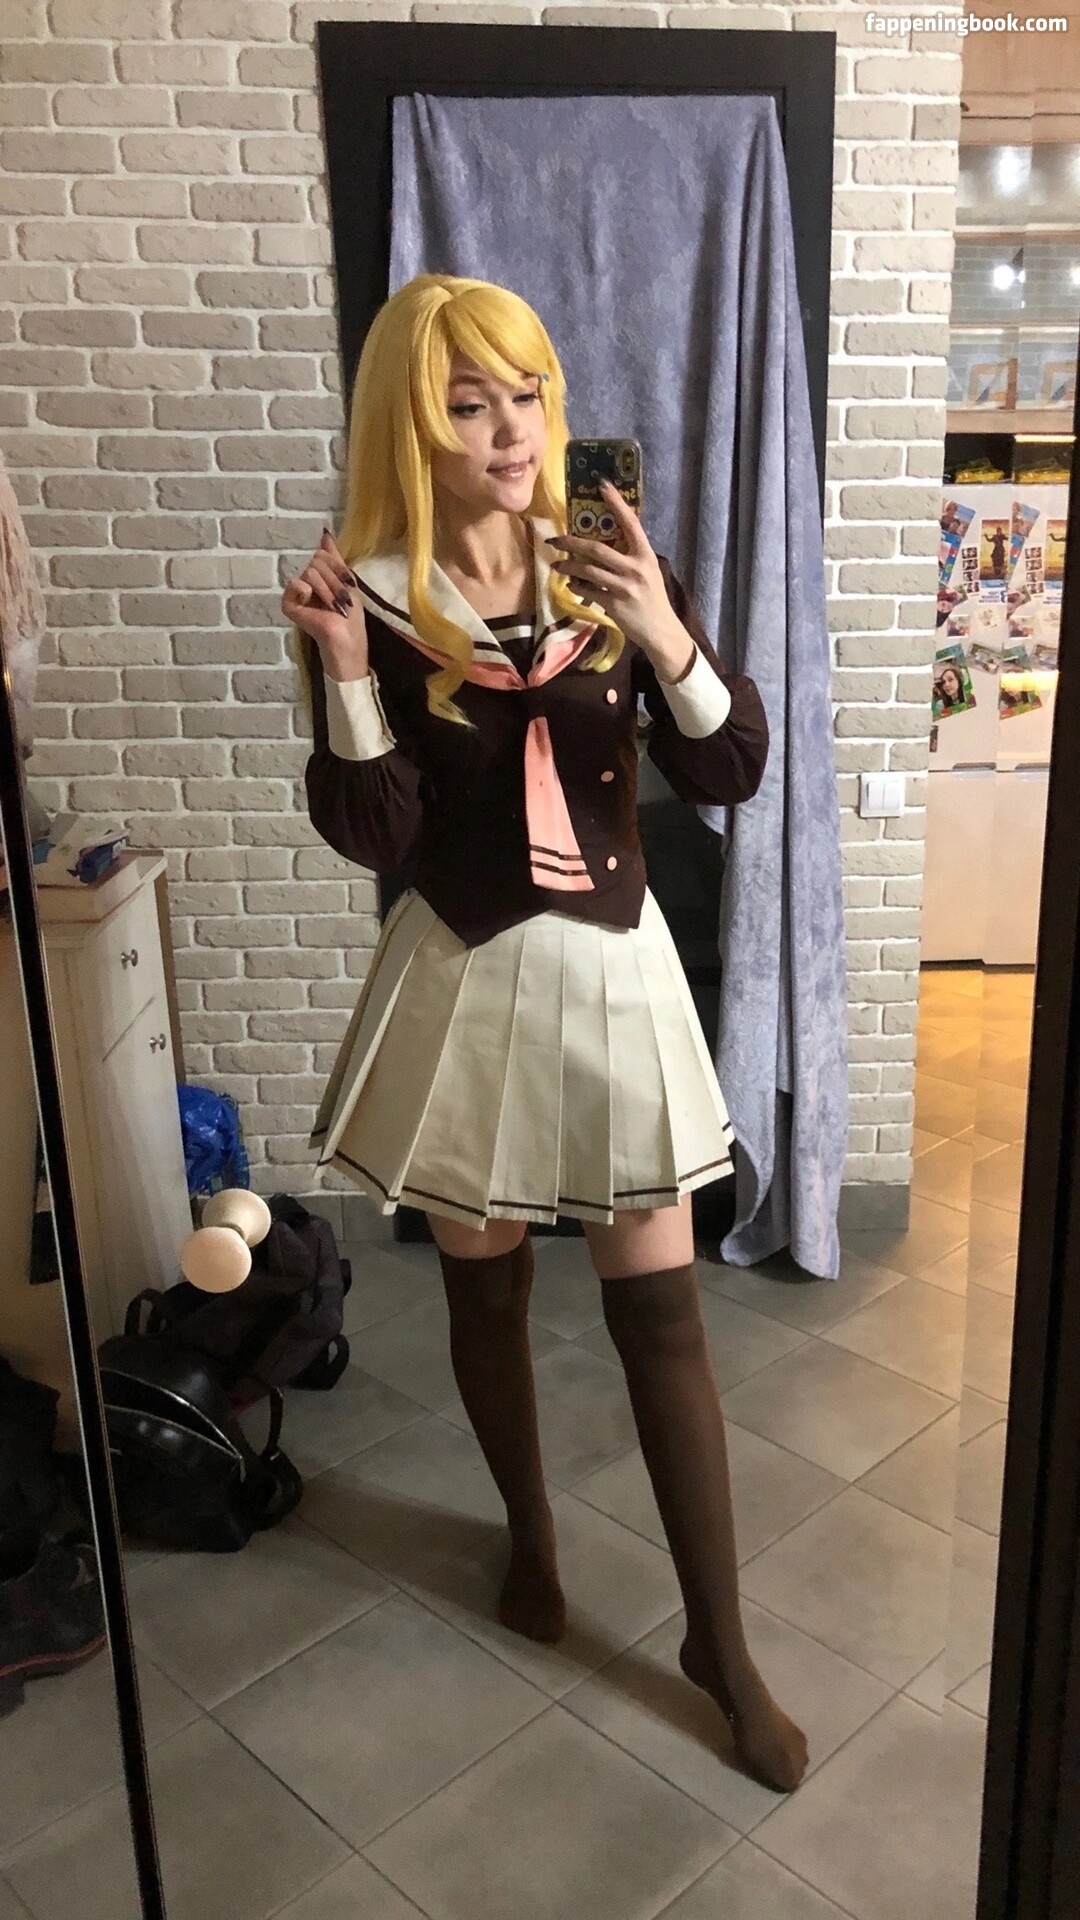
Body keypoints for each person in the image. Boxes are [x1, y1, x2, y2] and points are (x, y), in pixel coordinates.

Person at [282, 273, 808, 1794]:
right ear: (411, 422)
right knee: (489, 1288)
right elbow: (376, 831)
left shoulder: (607, 564)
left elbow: (732, 769)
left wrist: (664, 633)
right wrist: (346, 675)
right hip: (464, 977)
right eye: (469, 404)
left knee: (665, 1314)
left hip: (615, 974)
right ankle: (529, 1533)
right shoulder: (371, 595)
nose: (511, 431)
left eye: (526, 395)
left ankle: (721, 1644)